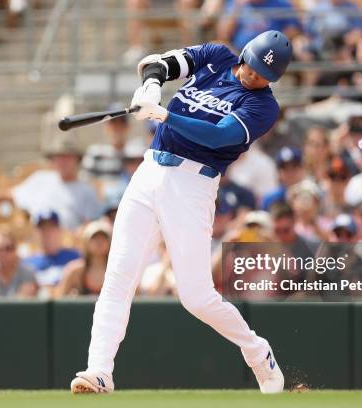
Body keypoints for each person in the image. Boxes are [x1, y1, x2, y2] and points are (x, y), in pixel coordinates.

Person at [70, 31, 293, 394]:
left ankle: (257, 352)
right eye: (252, 66)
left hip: (193, 185)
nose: (255, 76)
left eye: (265, 74)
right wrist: (152, 86)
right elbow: (161, 63)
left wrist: (164, 114)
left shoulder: (264, 106)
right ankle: (99, 372)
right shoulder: (217, 56)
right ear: (245, 55)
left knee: (197, 297)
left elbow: (219, 136)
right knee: (119, 277)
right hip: (149, 171)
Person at [12, 138, 102, 230]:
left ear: (77, 159)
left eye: (68, 157)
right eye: (59, 157)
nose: (63, 162)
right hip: (35, 238)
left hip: (69, 240)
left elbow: (90, 224)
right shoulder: (39, 178)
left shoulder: (87, 191)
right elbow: (11, 195)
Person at [23, 210, 80, 298]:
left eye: (51, 228)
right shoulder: (28, 262)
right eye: (43, 228)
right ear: (36, 232)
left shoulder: (74, 257)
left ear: (59, 230)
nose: (47, 233)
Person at [54, 221, 112, 297]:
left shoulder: (117, 272)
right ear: (86, 242)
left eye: (103, 238)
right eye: (94, 238)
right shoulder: (74, 271)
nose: (99, 242)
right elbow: (60, 299)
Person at [0, 230, 38, 298]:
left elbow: (22, 303)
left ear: (15, 248)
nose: (2, 254)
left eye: (8, 248)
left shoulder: (28, 273)